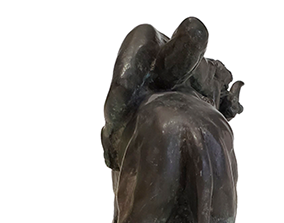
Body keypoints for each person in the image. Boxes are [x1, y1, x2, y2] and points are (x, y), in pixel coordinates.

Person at [102, 17, 243, 170]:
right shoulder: (147, 39)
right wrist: (111, 135)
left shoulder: (204, 73)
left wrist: (228, 105)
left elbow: (219, 101)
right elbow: (122, 87)